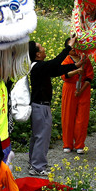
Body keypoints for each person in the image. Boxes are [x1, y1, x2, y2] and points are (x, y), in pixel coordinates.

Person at [27, 38, 81, 176]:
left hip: (39, 106)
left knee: (37, 136)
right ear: (37, 54)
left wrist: (75, 65)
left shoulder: (38, 67)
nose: (44, 48)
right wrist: (68, 48)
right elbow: (56, 63)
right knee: (42, 137)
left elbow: (56, 70)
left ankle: (34, 163)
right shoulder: (38, 67)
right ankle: (38, 166)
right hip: (41, 106)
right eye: (41, 47)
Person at [61, 50, 93, 154]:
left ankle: (79, 144)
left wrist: (81, 90)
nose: (74, 50)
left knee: (82, 117)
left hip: (83, 88)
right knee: (68, 116)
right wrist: (76, 71)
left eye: (76, 48)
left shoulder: (85, 59)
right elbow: (64, 75)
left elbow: (89, 77)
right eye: (72, 48)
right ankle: (67, 144)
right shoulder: (65, 60)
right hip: (69, 88)